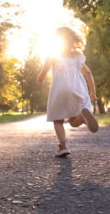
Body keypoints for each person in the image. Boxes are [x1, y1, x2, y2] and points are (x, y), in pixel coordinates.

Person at [37, 26, 99, 157]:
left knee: (58, 120)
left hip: (60, 90)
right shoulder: (77, 56)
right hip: (77, 89)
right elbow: (88, 73)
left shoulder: (52, 56)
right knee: (73, 121)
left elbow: (41, 75)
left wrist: (40, 79)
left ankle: (63, 146)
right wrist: (93, 92)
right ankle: (82, 117)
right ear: (73, 40)